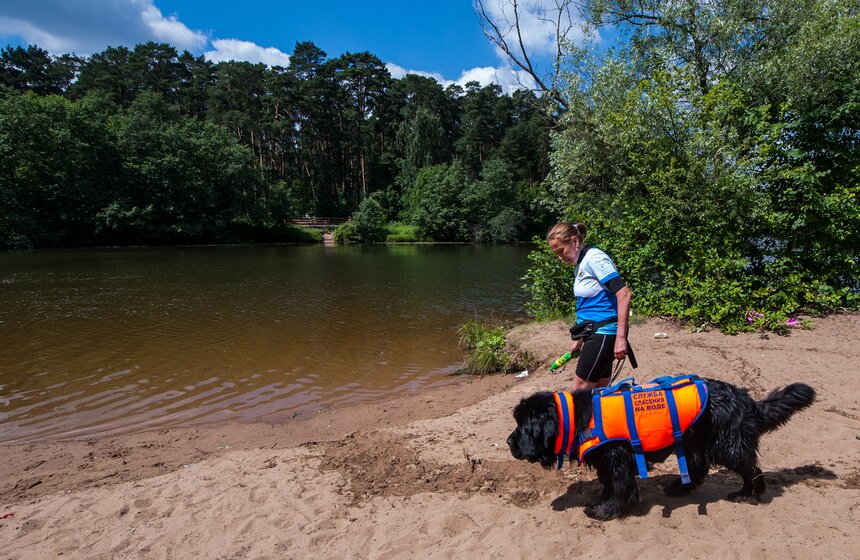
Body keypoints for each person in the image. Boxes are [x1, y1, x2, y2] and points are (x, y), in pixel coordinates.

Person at [546, 222, 634, 391]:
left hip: (604, 333)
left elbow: (624, 294)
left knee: (580, 389)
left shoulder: (594, 258)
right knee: (600, 389)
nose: (560, 257)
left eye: (560, 251)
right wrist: (579, 341)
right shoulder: (582, 262)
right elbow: (589, 306)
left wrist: (620, 338)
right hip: (595, 332)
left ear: (574, 241)